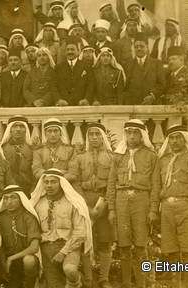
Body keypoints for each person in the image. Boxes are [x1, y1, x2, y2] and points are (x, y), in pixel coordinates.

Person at [107, 119, 159, 288]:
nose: (131, 136)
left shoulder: (151, 156)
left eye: (135, 133)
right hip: (121, 201)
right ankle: (126, 283)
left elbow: (156, 186)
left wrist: (152, 210)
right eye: (128, 132)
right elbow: (111, 183)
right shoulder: (118, 156)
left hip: (141, 200)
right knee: (124, 246)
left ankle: (142, 283)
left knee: (140, 246)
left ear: (142, 135)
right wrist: (111, 209)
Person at [66, 122, 114, 288]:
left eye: (97, 134)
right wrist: (84, 205)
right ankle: (87, 279)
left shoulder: (112, 156)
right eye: (91, 134)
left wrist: (104, 203)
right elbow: (76, 182)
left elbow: (112, 182)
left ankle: (104, 278)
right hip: (84, 201)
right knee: (86, 240)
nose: (94, 137)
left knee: (104, 241)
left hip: (104, 201)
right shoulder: (79, 157)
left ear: (103, 137)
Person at [156, 125, 188, 288]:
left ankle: (187, 285)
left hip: (187, 206)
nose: (175, 141)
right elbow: (157, 186)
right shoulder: (162, 160)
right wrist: (155, 209)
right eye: (172, 138)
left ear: (185, 139)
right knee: (171, 248)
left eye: (178, 137)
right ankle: (176, 284)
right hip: (167, 208)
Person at [31, 168, 92, 288]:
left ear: (61, 183)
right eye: (46, 182)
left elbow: (80, 233)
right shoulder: (37, 204)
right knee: (54, 285)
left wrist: (63, 252)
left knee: (70, 269)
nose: (49, 185)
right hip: (46, 248)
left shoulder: (73, 203)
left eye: (53, 182)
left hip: (69, 247)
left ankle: (77, 281)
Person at [0, 185, 41, 288]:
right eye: (6, 198)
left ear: (21, 200)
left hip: (25, 257)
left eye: (13, 197)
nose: (9, 202)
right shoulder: (1, 218)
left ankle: (30, 284)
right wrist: (3, 263)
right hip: (8, 261)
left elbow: (34, 248)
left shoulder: (29, 217)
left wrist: (11, 258)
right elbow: (0, 245)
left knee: (29, 261)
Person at [122, 32, 166, 105]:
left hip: (152, 105)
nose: (139, 49)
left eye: (142, 46)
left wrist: (152, 96)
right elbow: (125, 87)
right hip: (133, 105)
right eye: (136, 47)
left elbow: (162, 84)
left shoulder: (156, 63)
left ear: (147, 47)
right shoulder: (128, 64)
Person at [1, 116, 34, 195]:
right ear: (10, 130)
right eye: (15, 126)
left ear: (26, 130)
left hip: (28, 189)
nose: (18, 129)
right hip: (7, 189)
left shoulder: (32, 149)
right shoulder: (1, 149)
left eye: (21, 126)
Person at [55, 36, 90, 106]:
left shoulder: (86, 66)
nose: (70, 52)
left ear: (78, 51)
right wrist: (58, 99)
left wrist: (86, 99)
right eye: (68, 50)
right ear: (65, 52)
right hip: (63, 104)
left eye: (72, 49)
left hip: (81, 104)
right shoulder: (58, 67)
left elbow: (90, 85)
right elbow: (54, 86)